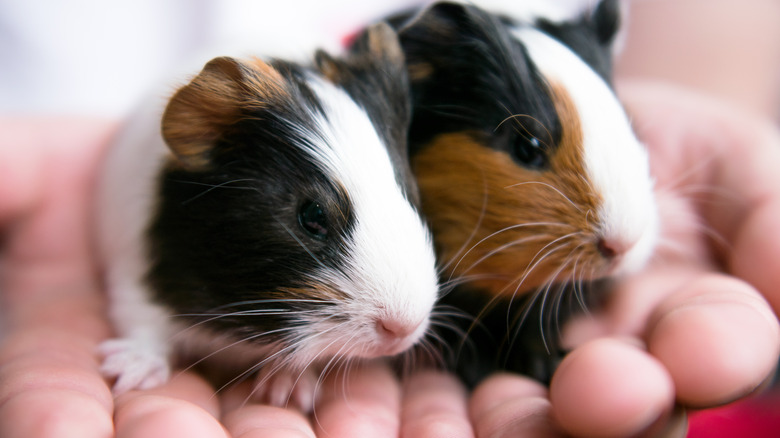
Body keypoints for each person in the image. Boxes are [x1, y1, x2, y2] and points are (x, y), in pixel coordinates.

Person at [1, 1, 779, 437]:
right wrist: (143, 338)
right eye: (312, 220)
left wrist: (708, 88)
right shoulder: (167, 205)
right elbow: (146, 283)